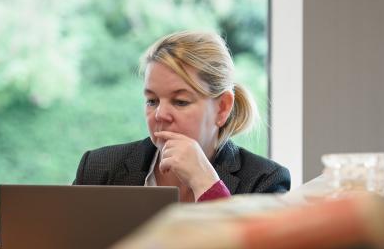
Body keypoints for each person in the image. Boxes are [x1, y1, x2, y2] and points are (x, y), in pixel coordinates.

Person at [73, 30, 290, 201]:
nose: (160, 114)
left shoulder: (264, 182)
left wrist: (205, 182)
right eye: (152, 100)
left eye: (180, 101)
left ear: (222, 108)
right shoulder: (99, 169)